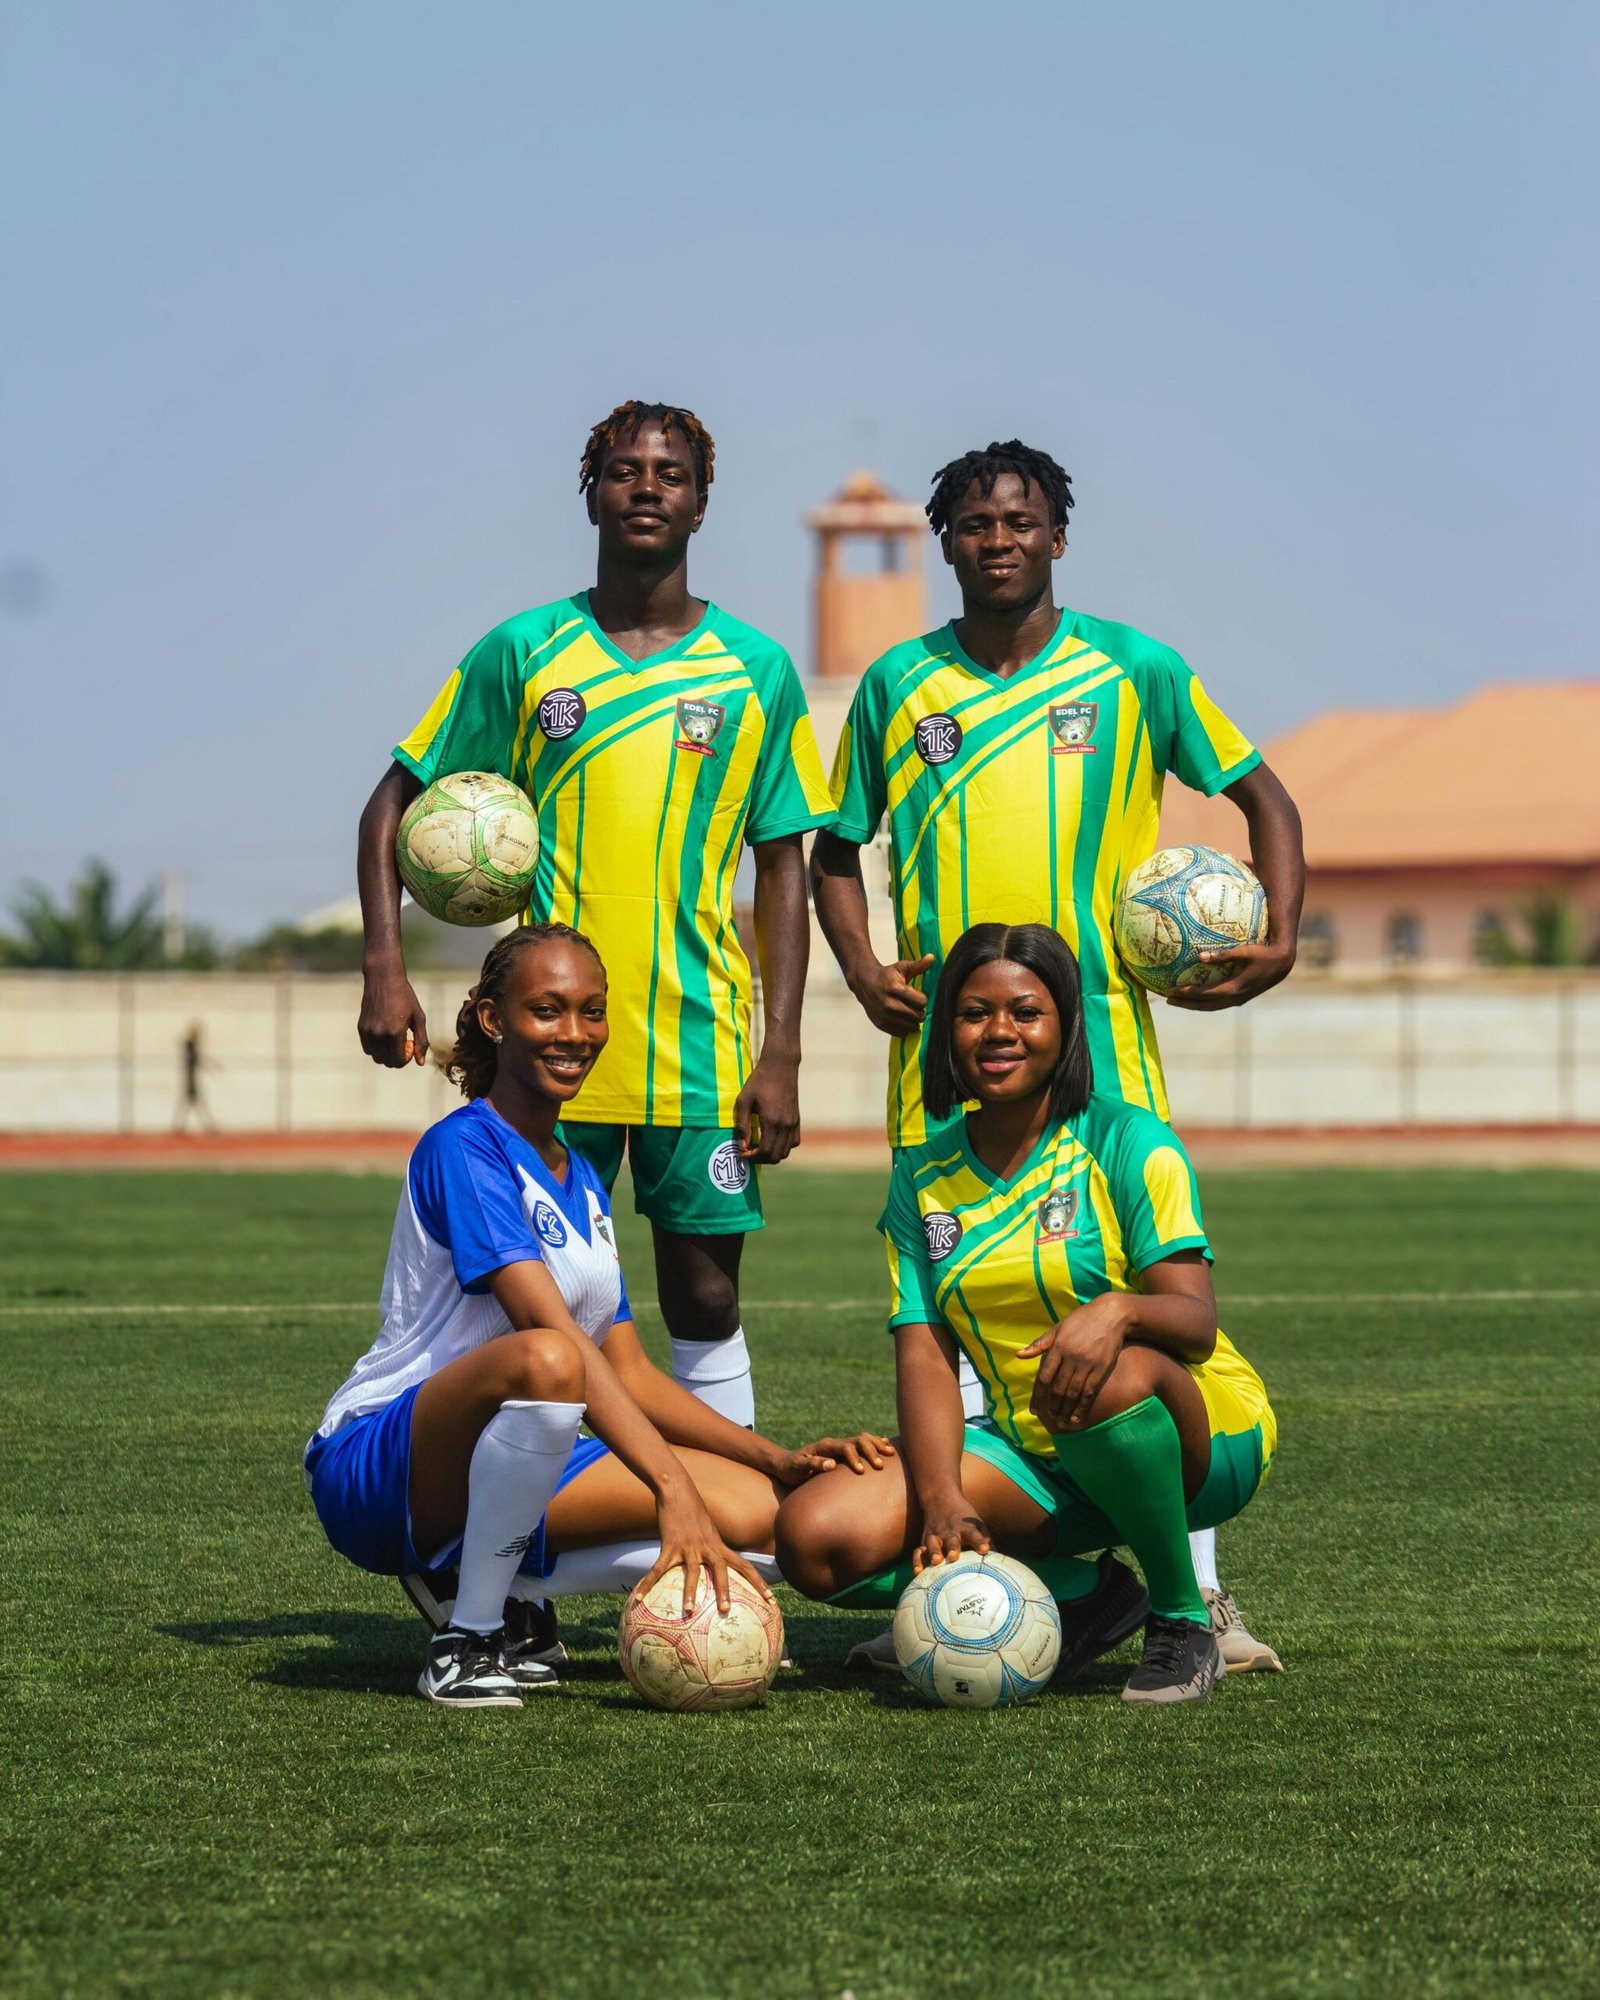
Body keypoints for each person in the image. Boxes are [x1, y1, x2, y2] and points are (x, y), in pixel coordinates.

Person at [810, 438, 1301, 1671]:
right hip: (943, 1062)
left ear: (1056, 536)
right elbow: (830, 844)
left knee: (1119, 1326)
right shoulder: (896, 686)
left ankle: (1199, 1595)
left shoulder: (1134, 669)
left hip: (1105, 1054)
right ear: (946, 543)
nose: (996, 539)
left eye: (1019, 520)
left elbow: (1264, 799)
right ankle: (1004, 1593)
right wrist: (862, 963)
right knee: (972, 1313)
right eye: (974, 523)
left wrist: (1280, 933)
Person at [356, 401, 836, 1443]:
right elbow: (391, 802)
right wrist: (384, 966)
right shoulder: (527, 650)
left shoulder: (754, 670)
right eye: (625, 470)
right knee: (531, 1309)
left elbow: (784, 859)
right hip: (548, 1045)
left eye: (671, 472)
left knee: (706, 1298)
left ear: (703, 501)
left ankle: (736, 1540)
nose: (648, 486)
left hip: (698, 1040)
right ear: (591, 492)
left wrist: (783, 1045)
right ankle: (517, 1555)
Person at [306, 923, 890, 1707]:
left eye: (591, 1011)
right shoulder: (463, 1148)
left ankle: (480, 1576)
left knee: (776, 1518)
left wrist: (772, 1458)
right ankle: (467, 1639)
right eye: (547, 1010)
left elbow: (630, 1371)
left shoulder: (579, 1176)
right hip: (382, 1468)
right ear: (492, 1019)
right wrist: (671, 1487)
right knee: (548, 1360)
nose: (574, 1034)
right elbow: (556, 1348)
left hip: (516, 1453)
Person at [775, 923, 1276, 1705]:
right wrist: (942, 1497)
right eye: (974, 1013)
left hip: (1197, 1434)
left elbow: (1195, 1323)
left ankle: (1183, 1621)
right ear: (946, 1031)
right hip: (1032, 1452)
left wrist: (1115, 1311)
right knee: (817, 1538)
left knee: (1094, 1377)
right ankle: (1084, 1595)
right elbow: (925, 1350)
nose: (999, 1032)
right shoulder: (922, 1175)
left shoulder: (1128, 1141)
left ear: (1065, 1027)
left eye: (1025, 1012)